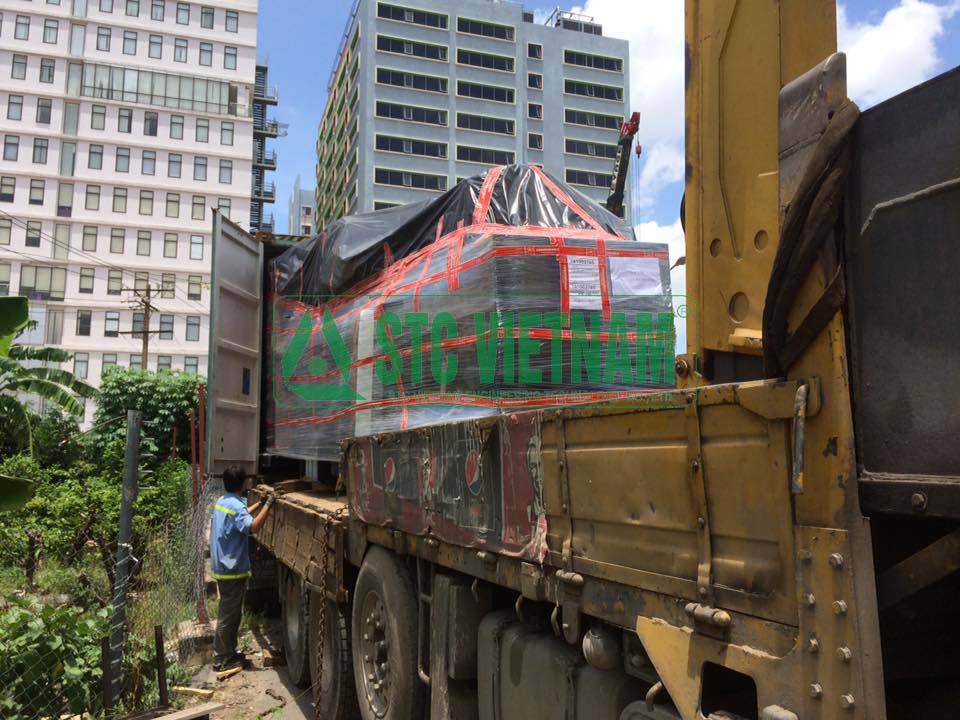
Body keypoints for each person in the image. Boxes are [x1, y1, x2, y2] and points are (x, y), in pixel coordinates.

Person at [211, 465, 274, 672]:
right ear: (243, 484)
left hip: (223, 565)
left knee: (232, 614)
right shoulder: (236, 507)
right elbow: (252, 527)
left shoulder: (223, 501)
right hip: (232, 569)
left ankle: (229, 653)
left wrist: (260, 504)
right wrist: (269, 505)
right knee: (228, 615)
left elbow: (242, 515)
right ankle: (221, 659)